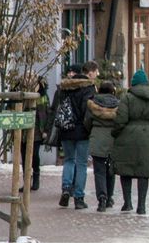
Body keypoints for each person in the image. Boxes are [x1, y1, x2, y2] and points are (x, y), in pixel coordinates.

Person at [112, 70, 149, 215]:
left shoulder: (127, 98)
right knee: (144, 172)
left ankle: (127, 203)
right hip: (148, 136)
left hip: (127, 136)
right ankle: (141, 206)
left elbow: (121, 119)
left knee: (126, 170)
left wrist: (116, 133)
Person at [49, 64, 96, 209]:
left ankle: (66, 188)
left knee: (68, 160)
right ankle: (79, 197)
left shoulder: (64, 89)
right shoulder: (87, 89)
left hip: (66, 130)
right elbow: (87, 112)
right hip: (82, 131)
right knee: (81, 163)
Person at [85, 81, 119, 212]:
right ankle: (109, 197)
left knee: (99, 171)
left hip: (97, 138)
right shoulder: (118, 104)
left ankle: (102, 198)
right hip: (113, 139)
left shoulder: (93, 104)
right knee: (111, 170)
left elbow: (87, 121)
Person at [33, 76, 50, 190]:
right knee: (24, 155)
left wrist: (46, 130)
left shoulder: (43, 97)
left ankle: (36, 178)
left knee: (34, 154)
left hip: (37, 131)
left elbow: (47, 113)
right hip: (24, 131)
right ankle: (26, 179)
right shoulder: (23, 94)